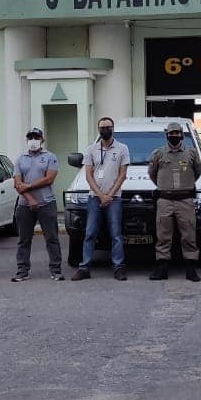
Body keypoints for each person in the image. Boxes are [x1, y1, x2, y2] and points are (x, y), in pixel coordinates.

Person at [71, 117, 130, 282]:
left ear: (113, 128)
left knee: (116, 234)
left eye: (108, 127)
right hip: (94, 198)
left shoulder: (122, 148)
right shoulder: (91, 149)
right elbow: (88, 174)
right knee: (90, 233)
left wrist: (109, 195)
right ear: (98, 130)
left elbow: (122, 175)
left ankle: (118, 267)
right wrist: (100, 195)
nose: (105, 130)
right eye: (102, 127)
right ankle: (84, 267)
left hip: (115, 198)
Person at [148, 122, 201, 282]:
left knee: (189, 235)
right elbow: (152, 173)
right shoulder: (158, 154)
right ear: (167, 135)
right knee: (163, 235)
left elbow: (197, 172)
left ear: (182, 135)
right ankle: (162, 268)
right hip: (164, 200)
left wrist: (186, 185)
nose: (174, 136)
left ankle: (191, 269)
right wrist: (164, 186)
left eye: (177, 133)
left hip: (185, 200)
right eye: (171, 133)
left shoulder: (191, 153)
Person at [12, 127, 63, 282]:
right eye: (30, 137)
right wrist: (30, 198)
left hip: (47, 203)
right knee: (24, 239)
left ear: (42, 140)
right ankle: (22, 270)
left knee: (52, 238)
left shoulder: (50, 157)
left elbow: (49, 179)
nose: (33, 140)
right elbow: (17, 183)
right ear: (27, 140)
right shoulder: (20, 159)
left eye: (36, 137)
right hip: (24, 205)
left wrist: (28, 186)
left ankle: (56, 270)